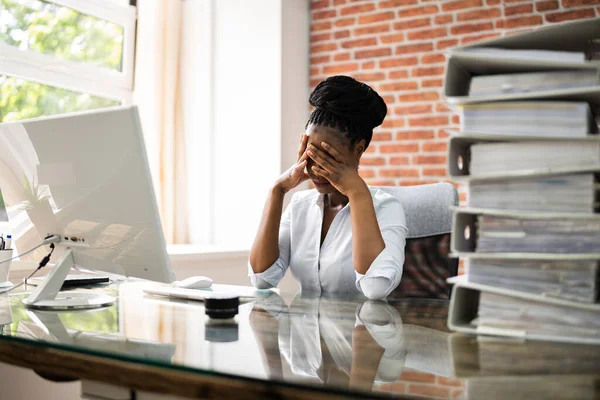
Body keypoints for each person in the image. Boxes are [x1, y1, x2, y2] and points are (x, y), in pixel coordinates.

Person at [248, 75, 407, 300]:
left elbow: (376, 288)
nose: (316, 169)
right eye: (310, 154)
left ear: (359, 150)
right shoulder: (300, 206)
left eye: (328, 157)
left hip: (359, 333)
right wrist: (277, 190)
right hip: (305, 333)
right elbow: (262, 279)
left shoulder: (387, 208)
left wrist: (357, 192)